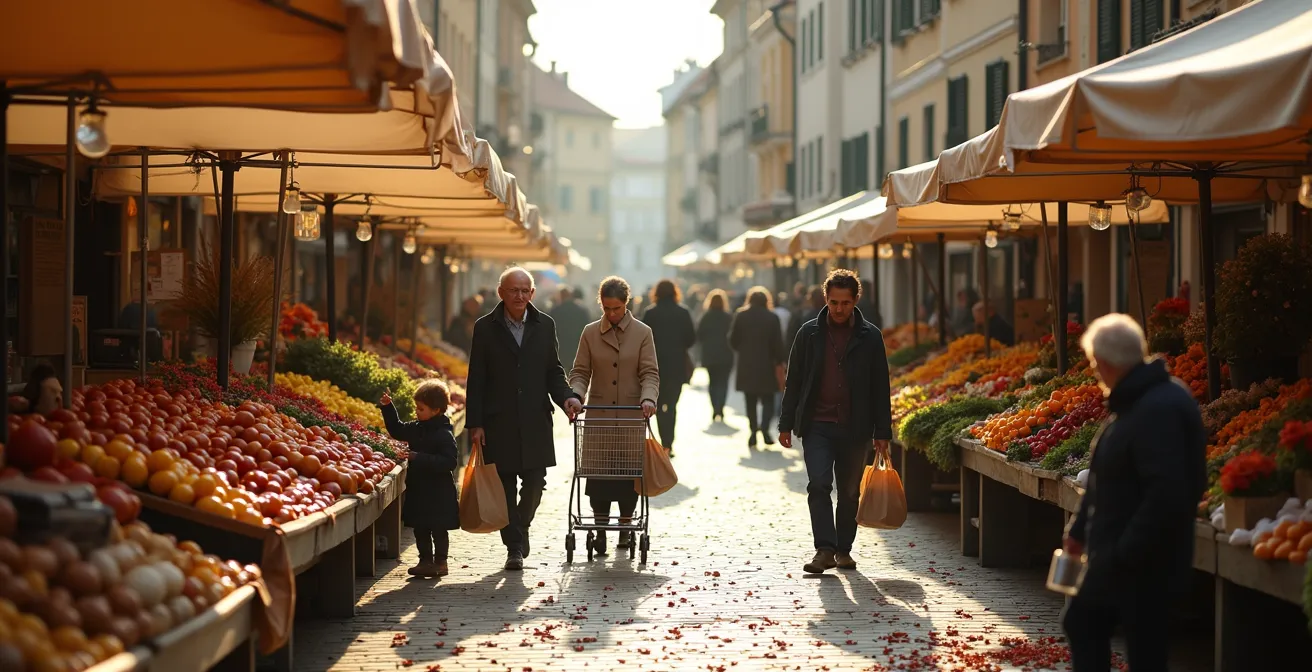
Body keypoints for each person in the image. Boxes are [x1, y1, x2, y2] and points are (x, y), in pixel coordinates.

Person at [1060, 314, 1205, 671]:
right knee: (1095, 627)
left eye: (1095, 365)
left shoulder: (1158, 407)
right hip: (1122, 556)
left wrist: (1124, 552)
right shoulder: (1135, 401)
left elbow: (1168, 494)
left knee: (1132, 643)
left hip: (1143, 563)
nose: (1096, 373)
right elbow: (1102, 478)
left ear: (1107, 364)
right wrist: (1078, 531)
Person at [466, 267, 583, 571]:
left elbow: (553, 370)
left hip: (534, 417)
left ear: (532, 294)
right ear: (501, 292)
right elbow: (475, 377)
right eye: (513, 290)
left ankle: (522, 525)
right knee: (504, 486)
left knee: (534, 483)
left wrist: (567, 397)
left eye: (524, 291)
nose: (519, 296)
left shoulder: (545, 324)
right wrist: (475, 423)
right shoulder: (485, 327)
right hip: (498, 421)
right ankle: (514, 547)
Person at [778, 269, 892, 574]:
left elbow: (881, 386)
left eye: (845, 302)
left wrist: (883, 431)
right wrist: (785, 423)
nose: (839, 309)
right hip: (817, 425)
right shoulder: (808, 334)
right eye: (833, 302)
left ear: (855, 300)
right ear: (825, 299)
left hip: (856, 428)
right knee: (818, 484)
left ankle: (844, 550)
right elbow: (795, 381)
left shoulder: (871, 337)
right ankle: (824, 549)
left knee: (849, 491)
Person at [569, 276, 660, 556]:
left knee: (627, 476)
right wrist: (575, 394)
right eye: (606, 309)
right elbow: (581, 371)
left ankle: (625, 527)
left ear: (626, 304)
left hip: (631, 415)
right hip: (598, 417)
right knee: (598, 477)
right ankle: (599, 529)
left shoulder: (643, 333)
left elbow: (649, 373)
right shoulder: (590, 332)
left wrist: (648, 398)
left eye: (617, 309)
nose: (611, 315)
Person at [379, 380, 458, 579]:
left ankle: (441, 562)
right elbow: (397, 430)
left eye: (421, 408)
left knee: (439, 529)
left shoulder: (444, 434)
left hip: (439, 492)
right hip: (419, 489)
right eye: (416, 407)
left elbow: (449, 462)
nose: (416, 412)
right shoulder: (417, 427)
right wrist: (389, 408)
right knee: (421, 528)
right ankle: (424, 561)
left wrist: (418, 457)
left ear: (436, 410)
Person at [640, 280, 696, 454]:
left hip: (654, 367)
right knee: (671, 406)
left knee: (657, 403)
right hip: (676, 366)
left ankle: (661, 440)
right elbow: (691, 339)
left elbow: (642, 339)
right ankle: (668, 443)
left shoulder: (650, 313)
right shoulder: (683, 312)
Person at [728, 287, 785, 448]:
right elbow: (778, 343)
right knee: (768, 399)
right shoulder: (772, 317)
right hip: (767, 364)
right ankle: (765, 429)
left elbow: (733, 340)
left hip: (747, 364)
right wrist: (780, 360)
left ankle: (753, 431)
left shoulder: (741, 315)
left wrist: (743, 350)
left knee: (750, 399)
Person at [696, 290, 734, 423]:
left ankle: (715, 408)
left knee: (712, 383)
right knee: (723, 383)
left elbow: (699, 335)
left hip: (710, 355)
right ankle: (721, 407)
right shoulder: (728, 317)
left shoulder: (706, 317)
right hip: (726, 354)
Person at [550, 286, 591, 370]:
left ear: (560, 297)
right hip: (577, 346)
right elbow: (587, 329)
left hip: (561, 347)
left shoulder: (555, 311)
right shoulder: (582, 310)